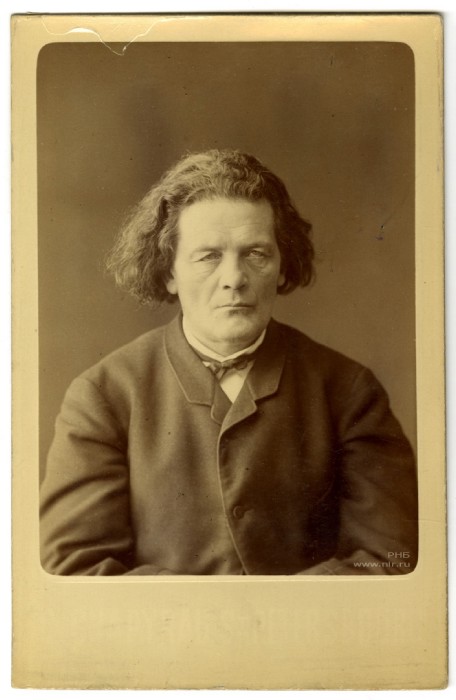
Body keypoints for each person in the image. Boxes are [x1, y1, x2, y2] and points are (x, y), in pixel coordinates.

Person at [40, 149, 418, 576]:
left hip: (313, 624)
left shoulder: (348, 391)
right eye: (208, 256)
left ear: (281, 267)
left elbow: (391, 559)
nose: (234, 279)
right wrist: (213, 613)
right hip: (159, 625)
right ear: (169, 272)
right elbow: (74, 567)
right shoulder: (103, 395)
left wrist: (272, 614)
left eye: (256, 253)